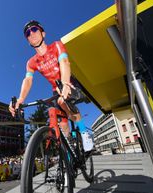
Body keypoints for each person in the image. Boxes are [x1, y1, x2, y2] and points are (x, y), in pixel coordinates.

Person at [9, 20, 93, 153]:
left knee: (62, 100)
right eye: (27, 33)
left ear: (43, 33)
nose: (31, 34)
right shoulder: (31, 62)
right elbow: (28, 80)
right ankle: (69, 148)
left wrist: (65, 83)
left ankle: (84, 132)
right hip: (56, 89)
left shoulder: (56, 45)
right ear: (28, 41)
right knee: (61, 121)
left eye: (35, 30)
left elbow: (64, 62)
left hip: (69, 81)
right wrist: (20, 100)